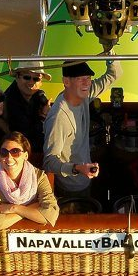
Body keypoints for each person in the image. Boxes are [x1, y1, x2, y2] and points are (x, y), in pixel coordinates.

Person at [43, 61, 117, 198]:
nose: (87, 83)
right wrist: (77, 168)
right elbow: (49, 162)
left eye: (88, 78)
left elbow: (114, 74)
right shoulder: (58, 118)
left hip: (85, 178)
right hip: (70, 187)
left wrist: (109, 49)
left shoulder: (83, 94)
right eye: (80, 79)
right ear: (66, 81)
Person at [0, 132, 59, 232]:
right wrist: (31, 209)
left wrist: (14, 208)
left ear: (25, 155)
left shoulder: (39, 176)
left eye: (15, 152)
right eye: (4, 152)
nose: (9, 158)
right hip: (2, 241)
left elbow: (50, 214)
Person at [4, 61, 52, 149]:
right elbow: (27, 139)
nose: (31, 82)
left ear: (41, 82)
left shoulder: (39, 98)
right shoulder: (9, 101)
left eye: (36, 79)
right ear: (17, 78)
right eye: (27, 77)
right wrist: (43, 116)